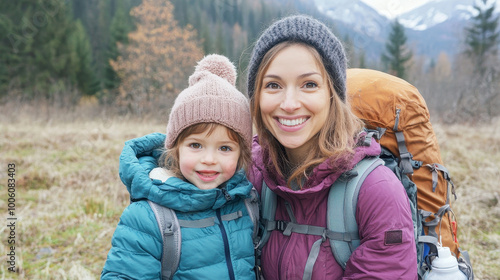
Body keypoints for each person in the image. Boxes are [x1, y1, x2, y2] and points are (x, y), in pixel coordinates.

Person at [246, 15, 417, 279]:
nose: (289, 103)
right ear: (256, 96)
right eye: (273, 85)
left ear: (332, 95)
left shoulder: (376, 192)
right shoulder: (251, 177)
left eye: (309, 84)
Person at [101, 54, 256, 279]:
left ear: (241, 154)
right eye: (196, 145)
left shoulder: (247, 204)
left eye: (224, 148)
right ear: (176, 148)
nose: (209, 159)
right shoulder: (150, 217)